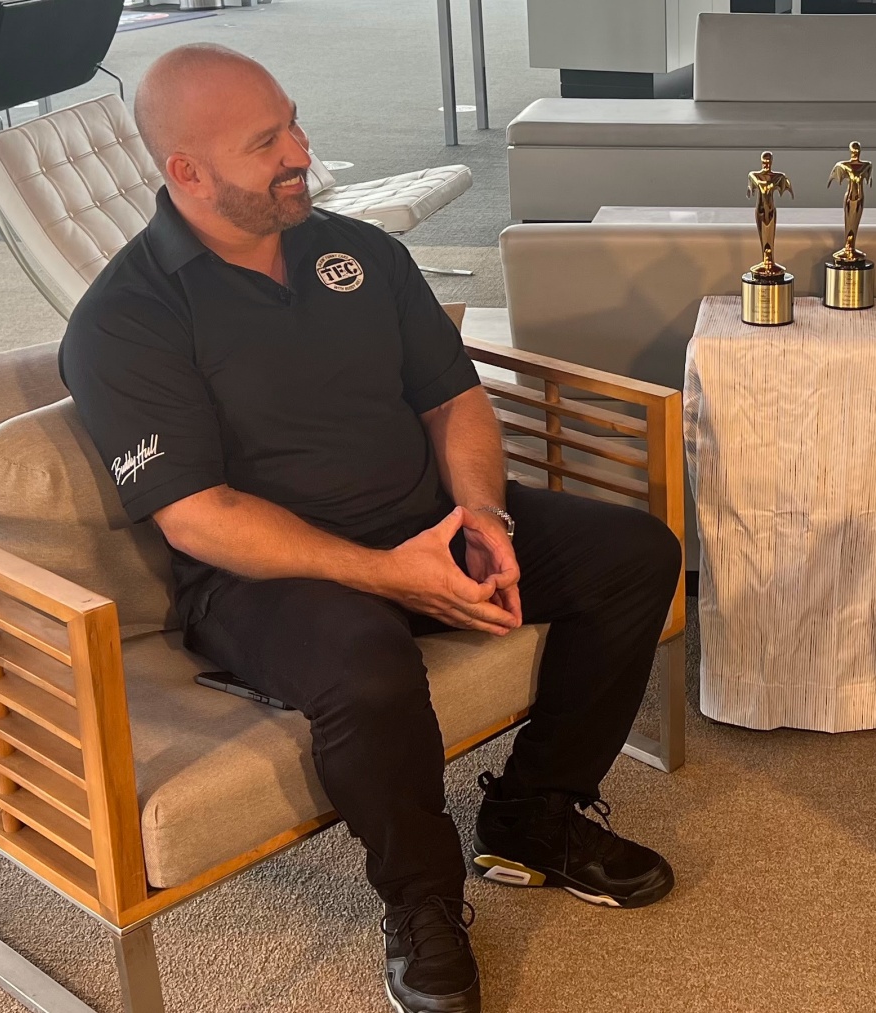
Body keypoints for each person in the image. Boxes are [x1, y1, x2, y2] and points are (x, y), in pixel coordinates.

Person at [59, 44, 683, 1013]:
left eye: (293, 123)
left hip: (426, 520)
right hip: (267, 580)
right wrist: (391, 574)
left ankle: (532, 814)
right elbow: (198, 516)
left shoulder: (358, 252)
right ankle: (421, 898)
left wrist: (481, 516)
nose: (300, 152)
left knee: (636, 555)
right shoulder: (125, 319)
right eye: (266, 142)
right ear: (187, 171)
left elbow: (452, 399)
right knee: (366, 665)